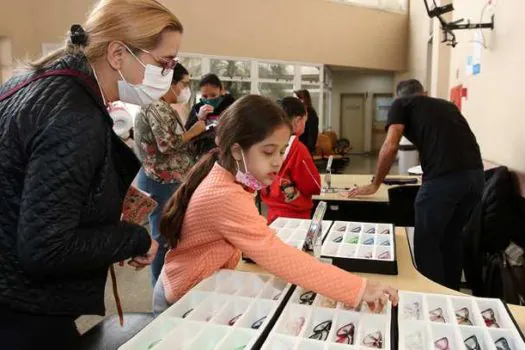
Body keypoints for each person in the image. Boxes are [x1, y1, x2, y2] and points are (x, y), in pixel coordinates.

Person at [0, 0, 183, 347]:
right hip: (21, 309)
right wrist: (134, 238)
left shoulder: (32, 84)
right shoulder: (74, 114)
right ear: (118, 54)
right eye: (165, 62)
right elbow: (46, 248)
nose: (169, 73)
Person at [152, 95, 398, 314]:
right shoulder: (225, 194)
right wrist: (360, 288)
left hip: (194, 284)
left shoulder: (227, 176)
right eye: (269, 152)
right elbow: (278, 256)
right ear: (237, 151)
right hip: (182, 298)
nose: (278, 162)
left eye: (281, 151)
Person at [347, 79, 484, 291]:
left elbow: (391, 145)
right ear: (425, 93)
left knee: (427, 243)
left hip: (444, 180)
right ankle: (451, 294)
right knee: (451, 238)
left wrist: (375, 184)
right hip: (476, 178)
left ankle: (430, 298)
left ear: (399, 97)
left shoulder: (401, 104)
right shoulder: (447, 105)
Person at [135, 63, 206, 285]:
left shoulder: (163, 106)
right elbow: (167, 144)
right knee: (162, 237)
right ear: (169, 82)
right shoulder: (156, 106)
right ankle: (160, 288)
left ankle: (167, 285)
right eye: (184, 84)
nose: (187, 89)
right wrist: (195, 131)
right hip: (161, 181)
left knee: (168, 234)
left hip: (168, 179)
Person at [261, 97, 321, 223]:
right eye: (305, 121)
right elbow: (313, 186)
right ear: (298, 120)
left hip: (272, 213)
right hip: (296, 216)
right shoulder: (298, 149)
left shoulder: (264, 145)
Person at [185, 73, 236, 157]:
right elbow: (187, 132)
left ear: (221, 91)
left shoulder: (231, 106)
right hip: (204, 153)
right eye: (205, 96)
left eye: (213, 95)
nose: (209, 99)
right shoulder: (197, 108)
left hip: (227, 151)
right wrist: (198, 118)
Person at [295, 89, 319, 154]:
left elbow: (312, 133)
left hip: (306, 147)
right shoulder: (302, 112)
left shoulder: (310, 113)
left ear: (303, 100)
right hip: (301, 145)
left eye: (298, 98)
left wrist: (309, 149)